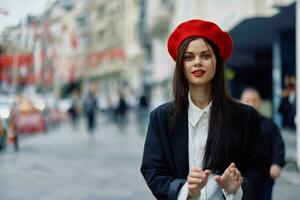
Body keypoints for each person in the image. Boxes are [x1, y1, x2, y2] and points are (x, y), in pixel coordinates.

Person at [140, 19, 270, 200]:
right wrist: (186, 190)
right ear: (181, 66)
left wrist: (236, 188)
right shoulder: (161, 118)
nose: (197, 62)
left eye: (206, 56)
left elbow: (260, 168)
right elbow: (152, 170)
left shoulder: (245, 117)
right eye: (189, 57)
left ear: (217, 62)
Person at [241, 88, 285, 200]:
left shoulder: (270, 125)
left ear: (259, 102)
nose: (251, 103)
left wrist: (277, 164)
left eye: (254, 100)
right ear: (241, 103)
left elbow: (278, 146)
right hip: (241, 178)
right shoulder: (234, 125)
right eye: (247, 100)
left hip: (264, 178)